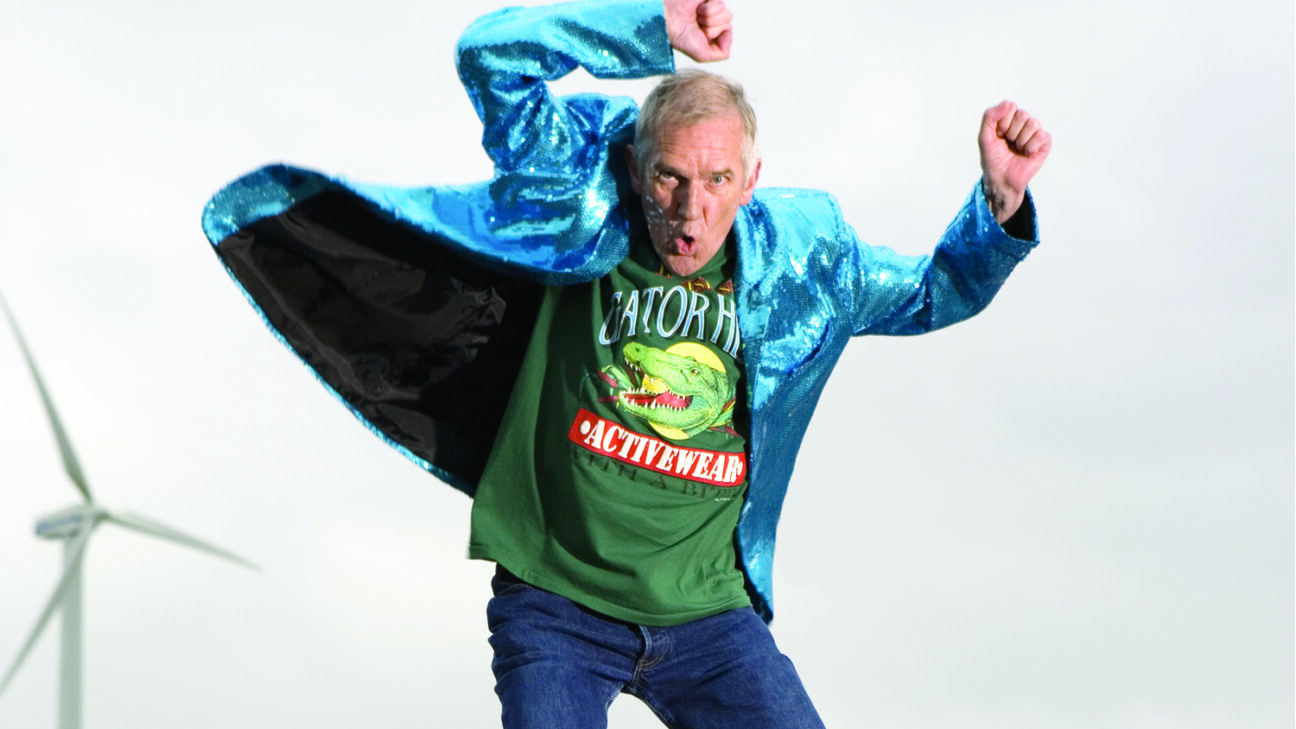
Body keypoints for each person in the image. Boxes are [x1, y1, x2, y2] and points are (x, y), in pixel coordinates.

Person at [202, 0, 1051, 726]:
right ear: (639, 170)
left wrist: (1000, 201)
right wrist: (648, 23)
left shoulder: (808, 260)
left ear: (753, 178)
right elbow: (489, 56)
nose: (691, 210)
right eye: (670, 179)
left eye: (717, 181)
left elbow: (933, 291)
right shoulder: (576, 192)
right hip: (557, 604)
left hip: (711, 616)